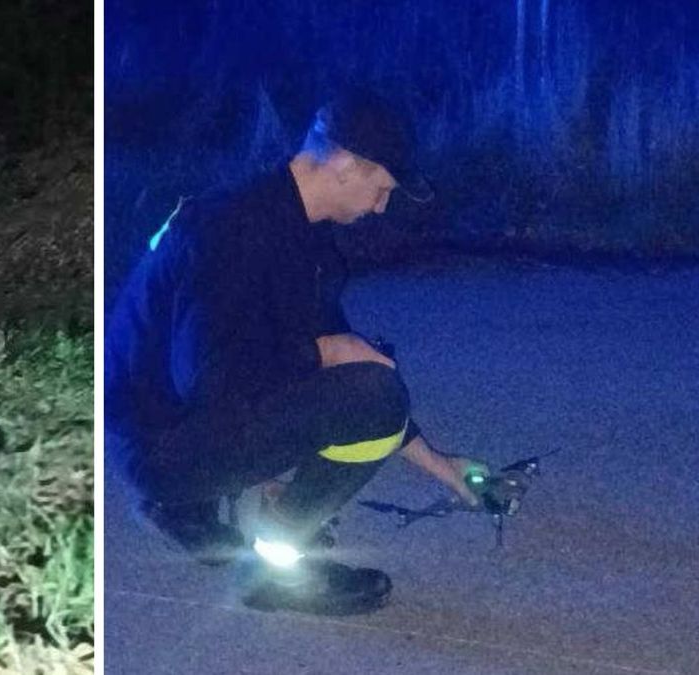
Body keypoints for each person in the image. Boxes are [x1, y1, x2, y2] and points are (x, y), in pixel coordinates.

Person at [105, 86, 489, 614]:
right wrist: (324, 352)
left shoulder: (289, 226)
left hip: (164, 425)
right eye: (381, 189)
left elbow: (348, 362)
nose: (381, 207)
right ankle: (273, 569)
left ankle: (185, 504)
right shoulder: (234, 229)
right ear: (346, 165)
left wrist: (440, 465)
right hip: (156, 444)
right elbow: (214, 373)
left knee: (365, 384)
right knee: (371, 397)